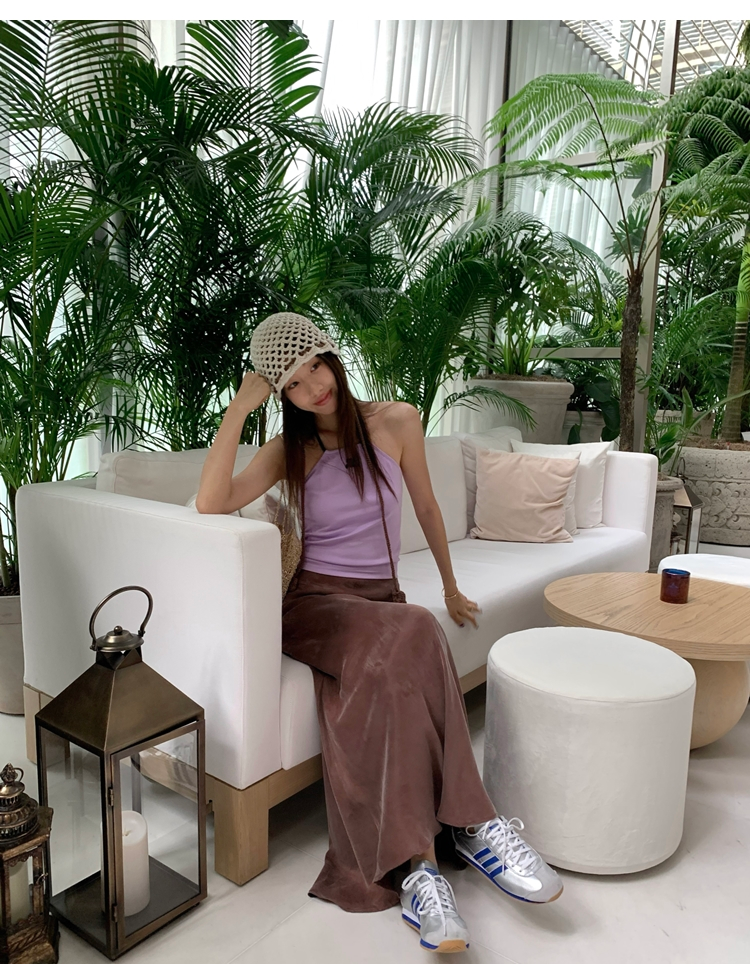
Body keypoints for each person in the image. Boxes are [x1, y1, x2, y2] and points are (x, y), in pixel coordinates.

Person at [196, 313, 562, 953]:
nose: (312, 387)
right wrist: (237, 409)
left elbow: (426, 506)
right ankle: (471, 827)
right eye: (292, 383)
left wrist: (450, 586)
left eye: (314, 366)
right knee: (414, 628)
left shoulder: (398, 421)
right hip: (315, 604)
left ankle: (423, 869)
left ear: (330, 356)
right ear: (281, 395)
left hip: (380, 603)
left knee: (405, 650)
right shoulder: (289, 449)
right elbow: (211, 502)